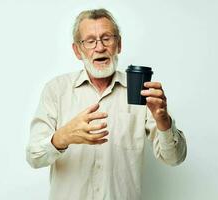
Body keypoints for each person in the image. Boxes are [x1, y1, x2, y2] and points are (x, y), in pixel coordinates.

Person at [26, 8, 187, 200]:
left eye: (107, 38)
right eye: (90, 41)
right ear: (77, 50)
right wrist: (63, 137)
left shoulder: (141, 92)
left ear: (118, 45)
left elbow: (174, 158)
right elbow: (34, 157)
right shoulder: (56, 90)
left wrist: (163, 120)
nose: (100, 47)